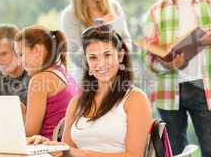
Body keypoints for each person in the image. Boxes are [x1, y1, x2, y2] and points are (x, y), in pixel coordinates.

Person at [28, 24, 152, 157]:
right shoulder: (76, 104)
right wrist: (45, 145)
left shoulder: (135, 99)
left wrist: (80, 153)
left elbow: (134, 155)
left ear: (120, 56)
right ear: (87, 62)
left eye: (107, 55)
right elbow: (66, 153)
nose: (101, 63)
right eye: (93, 57)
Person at [145, 0, 211, 156]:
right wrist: (168, 65)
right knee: (172, 152)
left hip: (204, 88)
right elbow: (150, 59)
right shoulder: (155, 11)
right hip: (169, 90)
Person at [61, 0, 132, 85]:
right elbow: (76, 56)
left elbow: (127, 44)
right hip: (88, 83)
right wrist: (99, 34)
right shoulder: (70, 15)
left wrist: (115, 56)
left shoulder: (114, 7)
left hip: (117, 80)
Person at [15, 25, 78, 140]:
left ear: (37, 51)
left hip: (48, 149)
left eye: (21, 54)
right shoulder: (65, 75)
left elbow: (30, 134)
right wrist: (24, 111)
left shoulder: (39, 80)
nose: (19, 62)